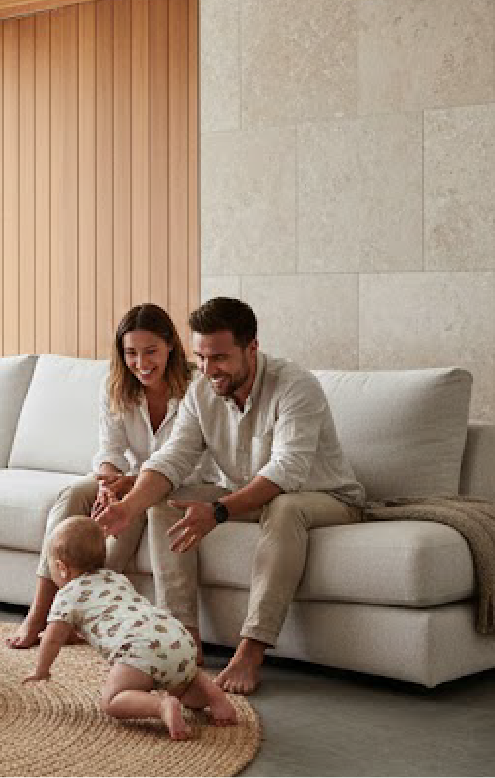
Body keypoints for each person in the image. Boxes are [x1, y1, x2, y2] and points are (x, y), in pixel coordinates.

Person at [97, 297, 366, 695]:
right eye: (201, 358)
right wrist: (128, 506)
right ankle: (183, 638)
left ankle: (250, 653)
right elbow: (173, 457)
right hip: (244, 494)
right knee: (164, 501)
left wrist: (218, 511)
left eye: (219, 358)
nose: (208, 370)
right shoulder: (201, 390)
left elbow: (286, 472)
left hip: (326, 497)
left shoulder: (296, 387)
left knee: (285, 506)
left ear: (251, 347)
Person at [8, 303, 195, 649]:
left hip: (179, 482)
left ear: (171, 344)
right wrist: (109, 483)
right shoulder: (116, 387)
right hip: (131, 480)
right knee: (75, 494)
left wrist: (131, 483)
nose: (141, 364)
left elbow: (192, 459)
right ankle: (40, 612)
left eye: (151, 351)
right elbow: (109, 449)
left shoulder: (195, 389)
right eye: (131, 354)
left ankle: (80, 612)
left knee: (135, 510)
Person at [22, 516, 238, 741]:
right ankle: (213, 696)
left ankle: (161, 706)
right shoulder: (117, 578)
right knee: (184, 686)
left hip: (141, 650)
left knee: (112, 700)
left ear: (61, 568)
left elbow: (52, 639)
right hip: (177, 638)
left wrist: (41, 670)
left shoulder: (67, 596)